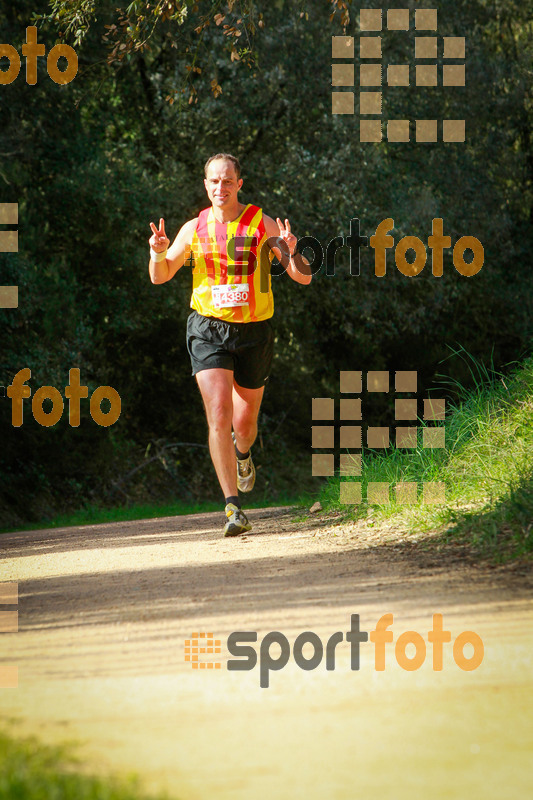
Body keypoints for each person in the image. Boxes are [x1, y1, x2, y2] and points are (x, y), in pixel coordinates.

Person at [148, 153, 311, 536]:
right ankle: (233, 508)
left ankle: (243, 454)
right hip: (207, 329)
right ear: (205, 185)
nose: (219, 188)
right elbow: (160, 276)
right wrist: (158, 251)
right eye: (213, 182)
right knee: (219, 411)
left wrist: (293, 248)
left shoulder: (261, 222)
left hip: (254, 331)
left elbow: (302, 277)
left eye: (227, 181)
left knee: (245, 422)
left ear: (239, 184)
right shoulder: (194, 228)